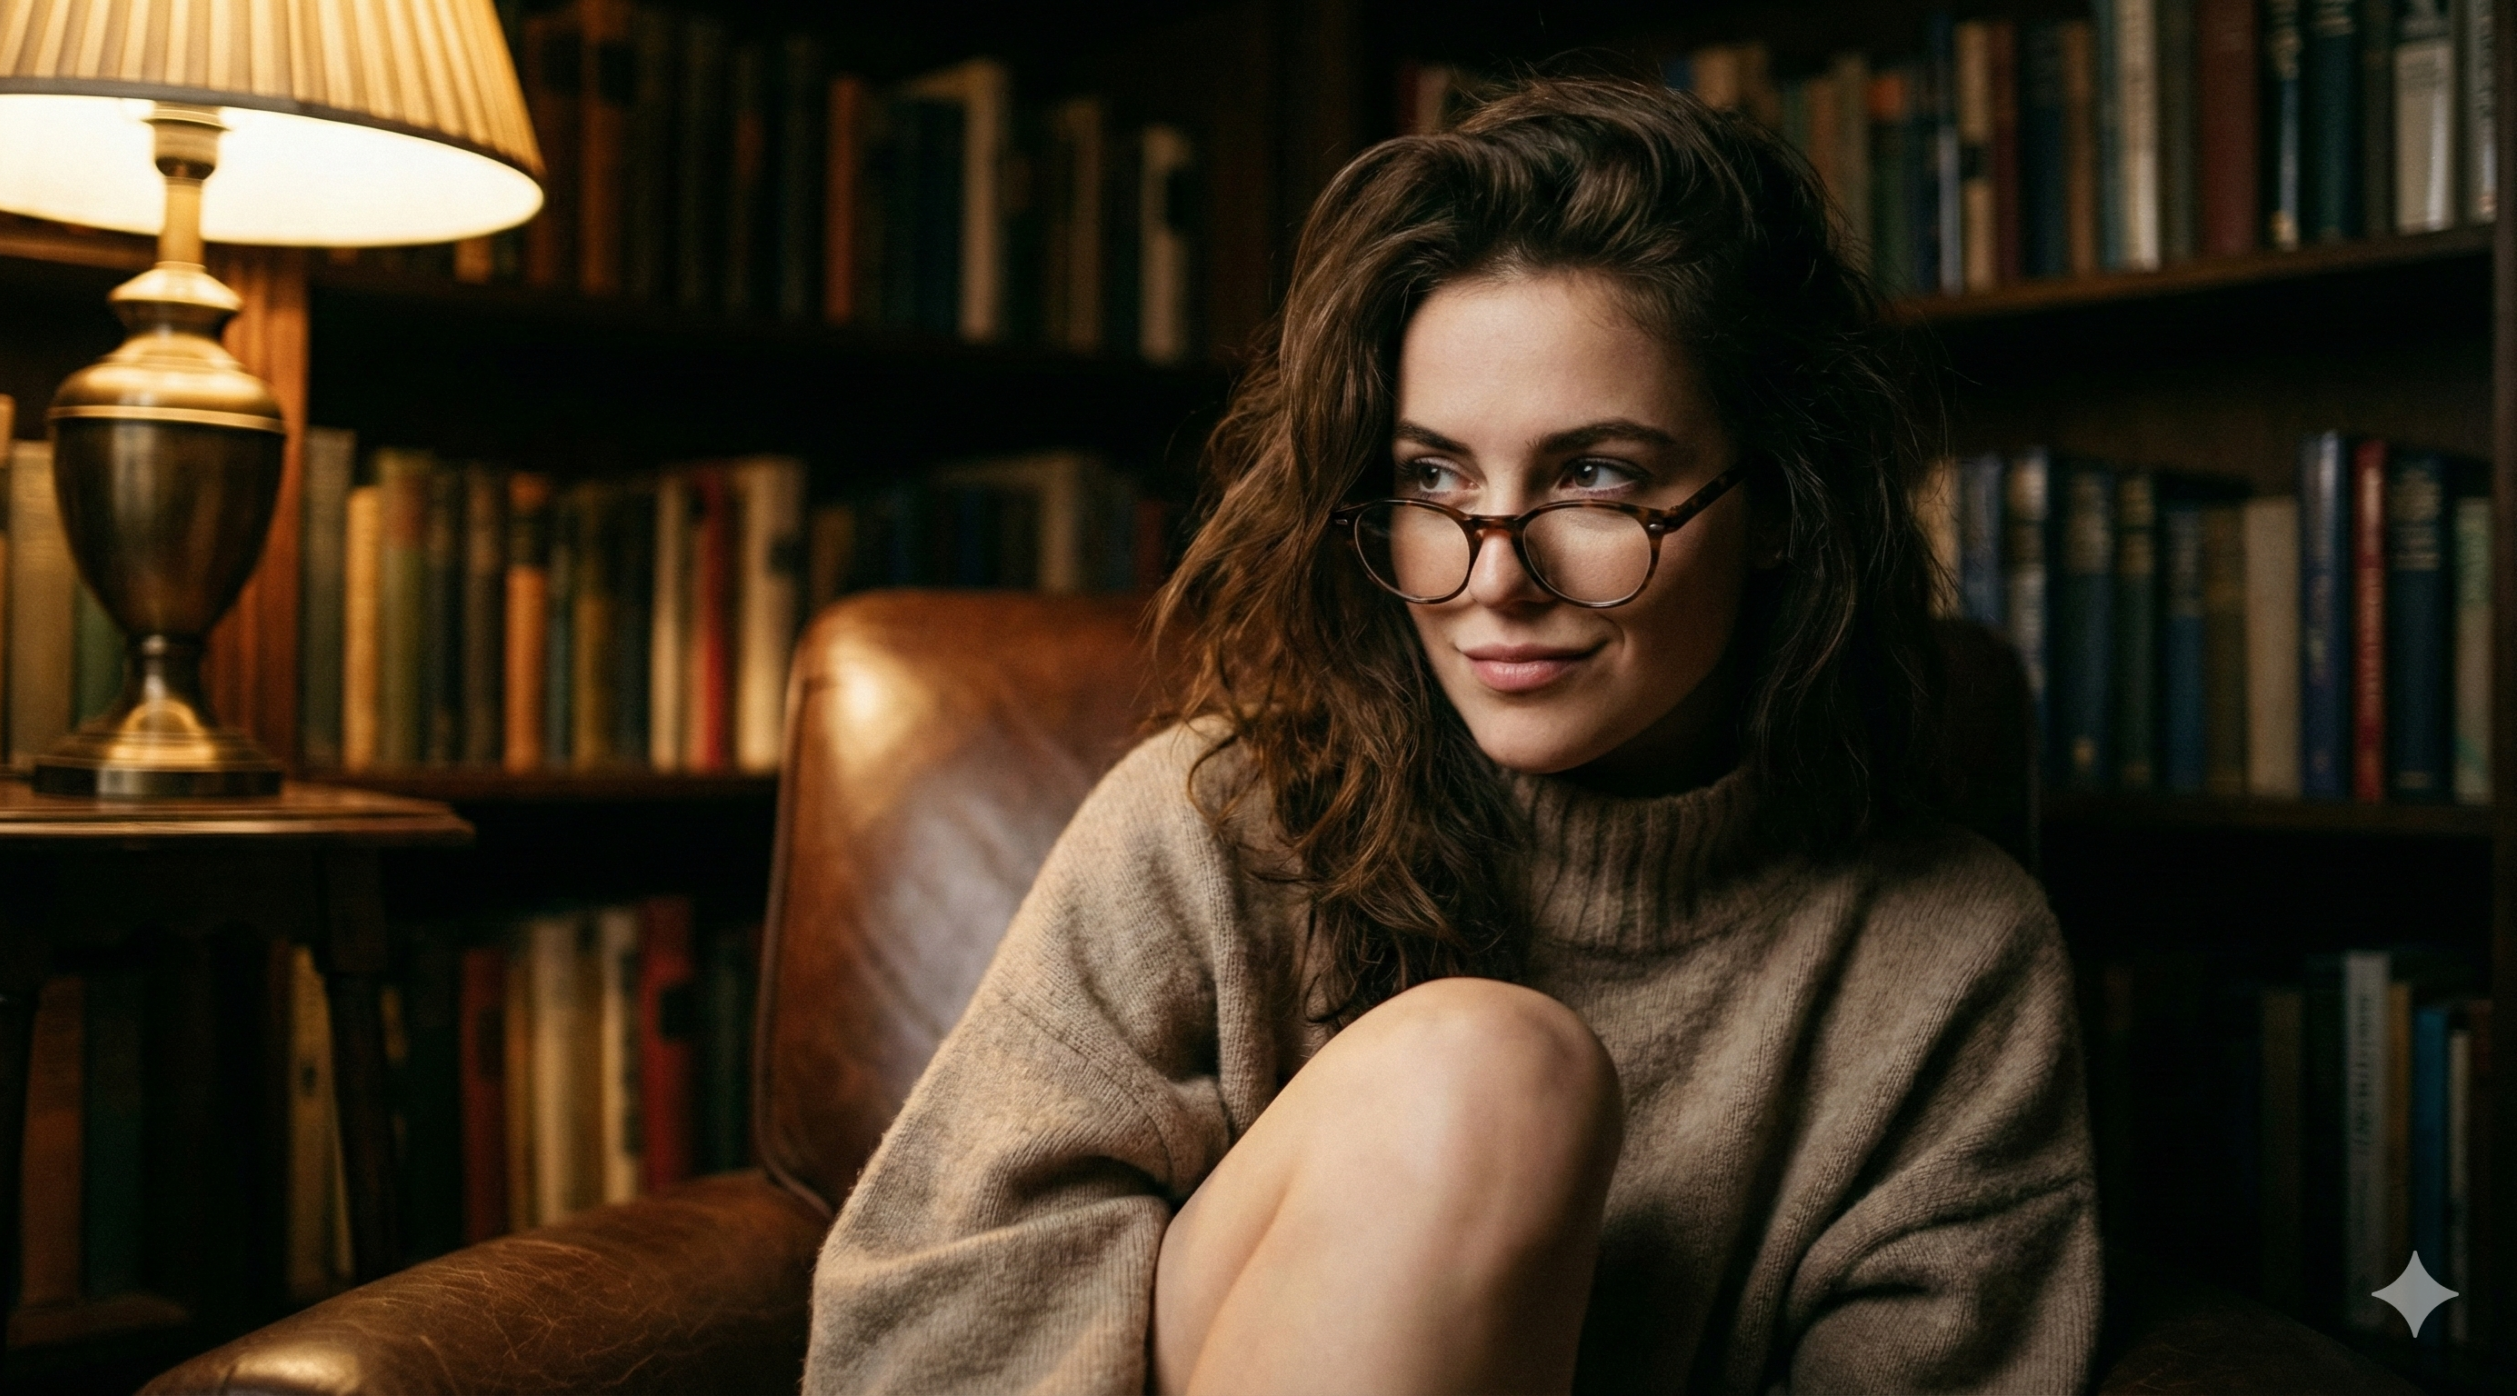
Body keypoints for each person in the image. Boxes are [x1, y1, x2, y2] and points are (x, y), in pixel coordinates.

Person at [804, 76, 2099, 1395]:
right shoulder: (1212, 830)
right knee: (1485, 1075)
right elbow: (915, 1345)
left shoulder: (1949, 961)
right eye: (1435, 480)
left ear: (1778, 501)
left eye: (1596, 475)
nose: (1496, 577)